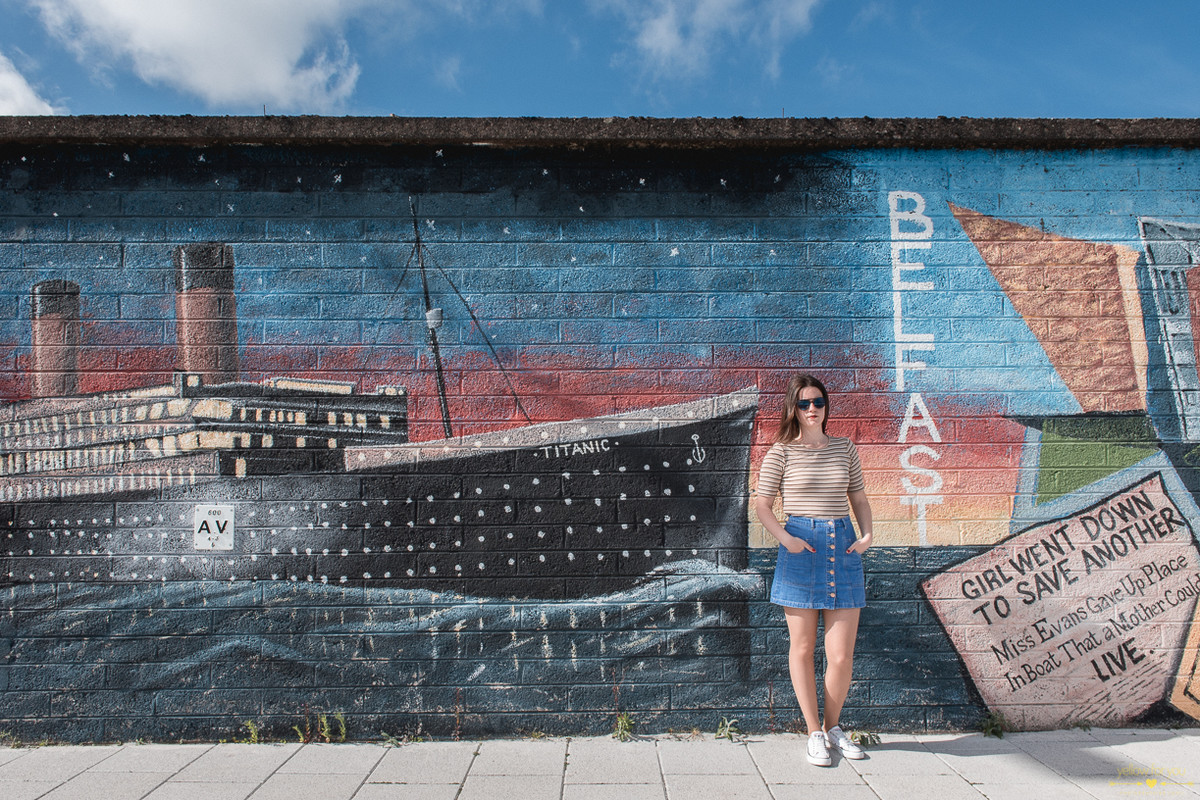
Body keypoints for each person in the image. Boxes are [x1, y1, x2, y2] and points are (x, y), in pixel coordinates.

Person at [753, 373, 873, 766]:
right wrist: (785, 539)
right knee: (802, 649)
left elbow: (858, 497)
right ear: (793, 408)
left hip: (842, 543)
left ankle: (834, 727)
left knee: (840, 655)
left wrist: (868, 534)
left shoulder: (844, 448)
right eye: (803, 403)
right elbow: (763, 506)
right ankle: (813, 732)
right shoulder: (781, 452)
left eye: (817, 402)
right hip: (800, 544)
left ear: (826, 406)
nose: (811, 409)